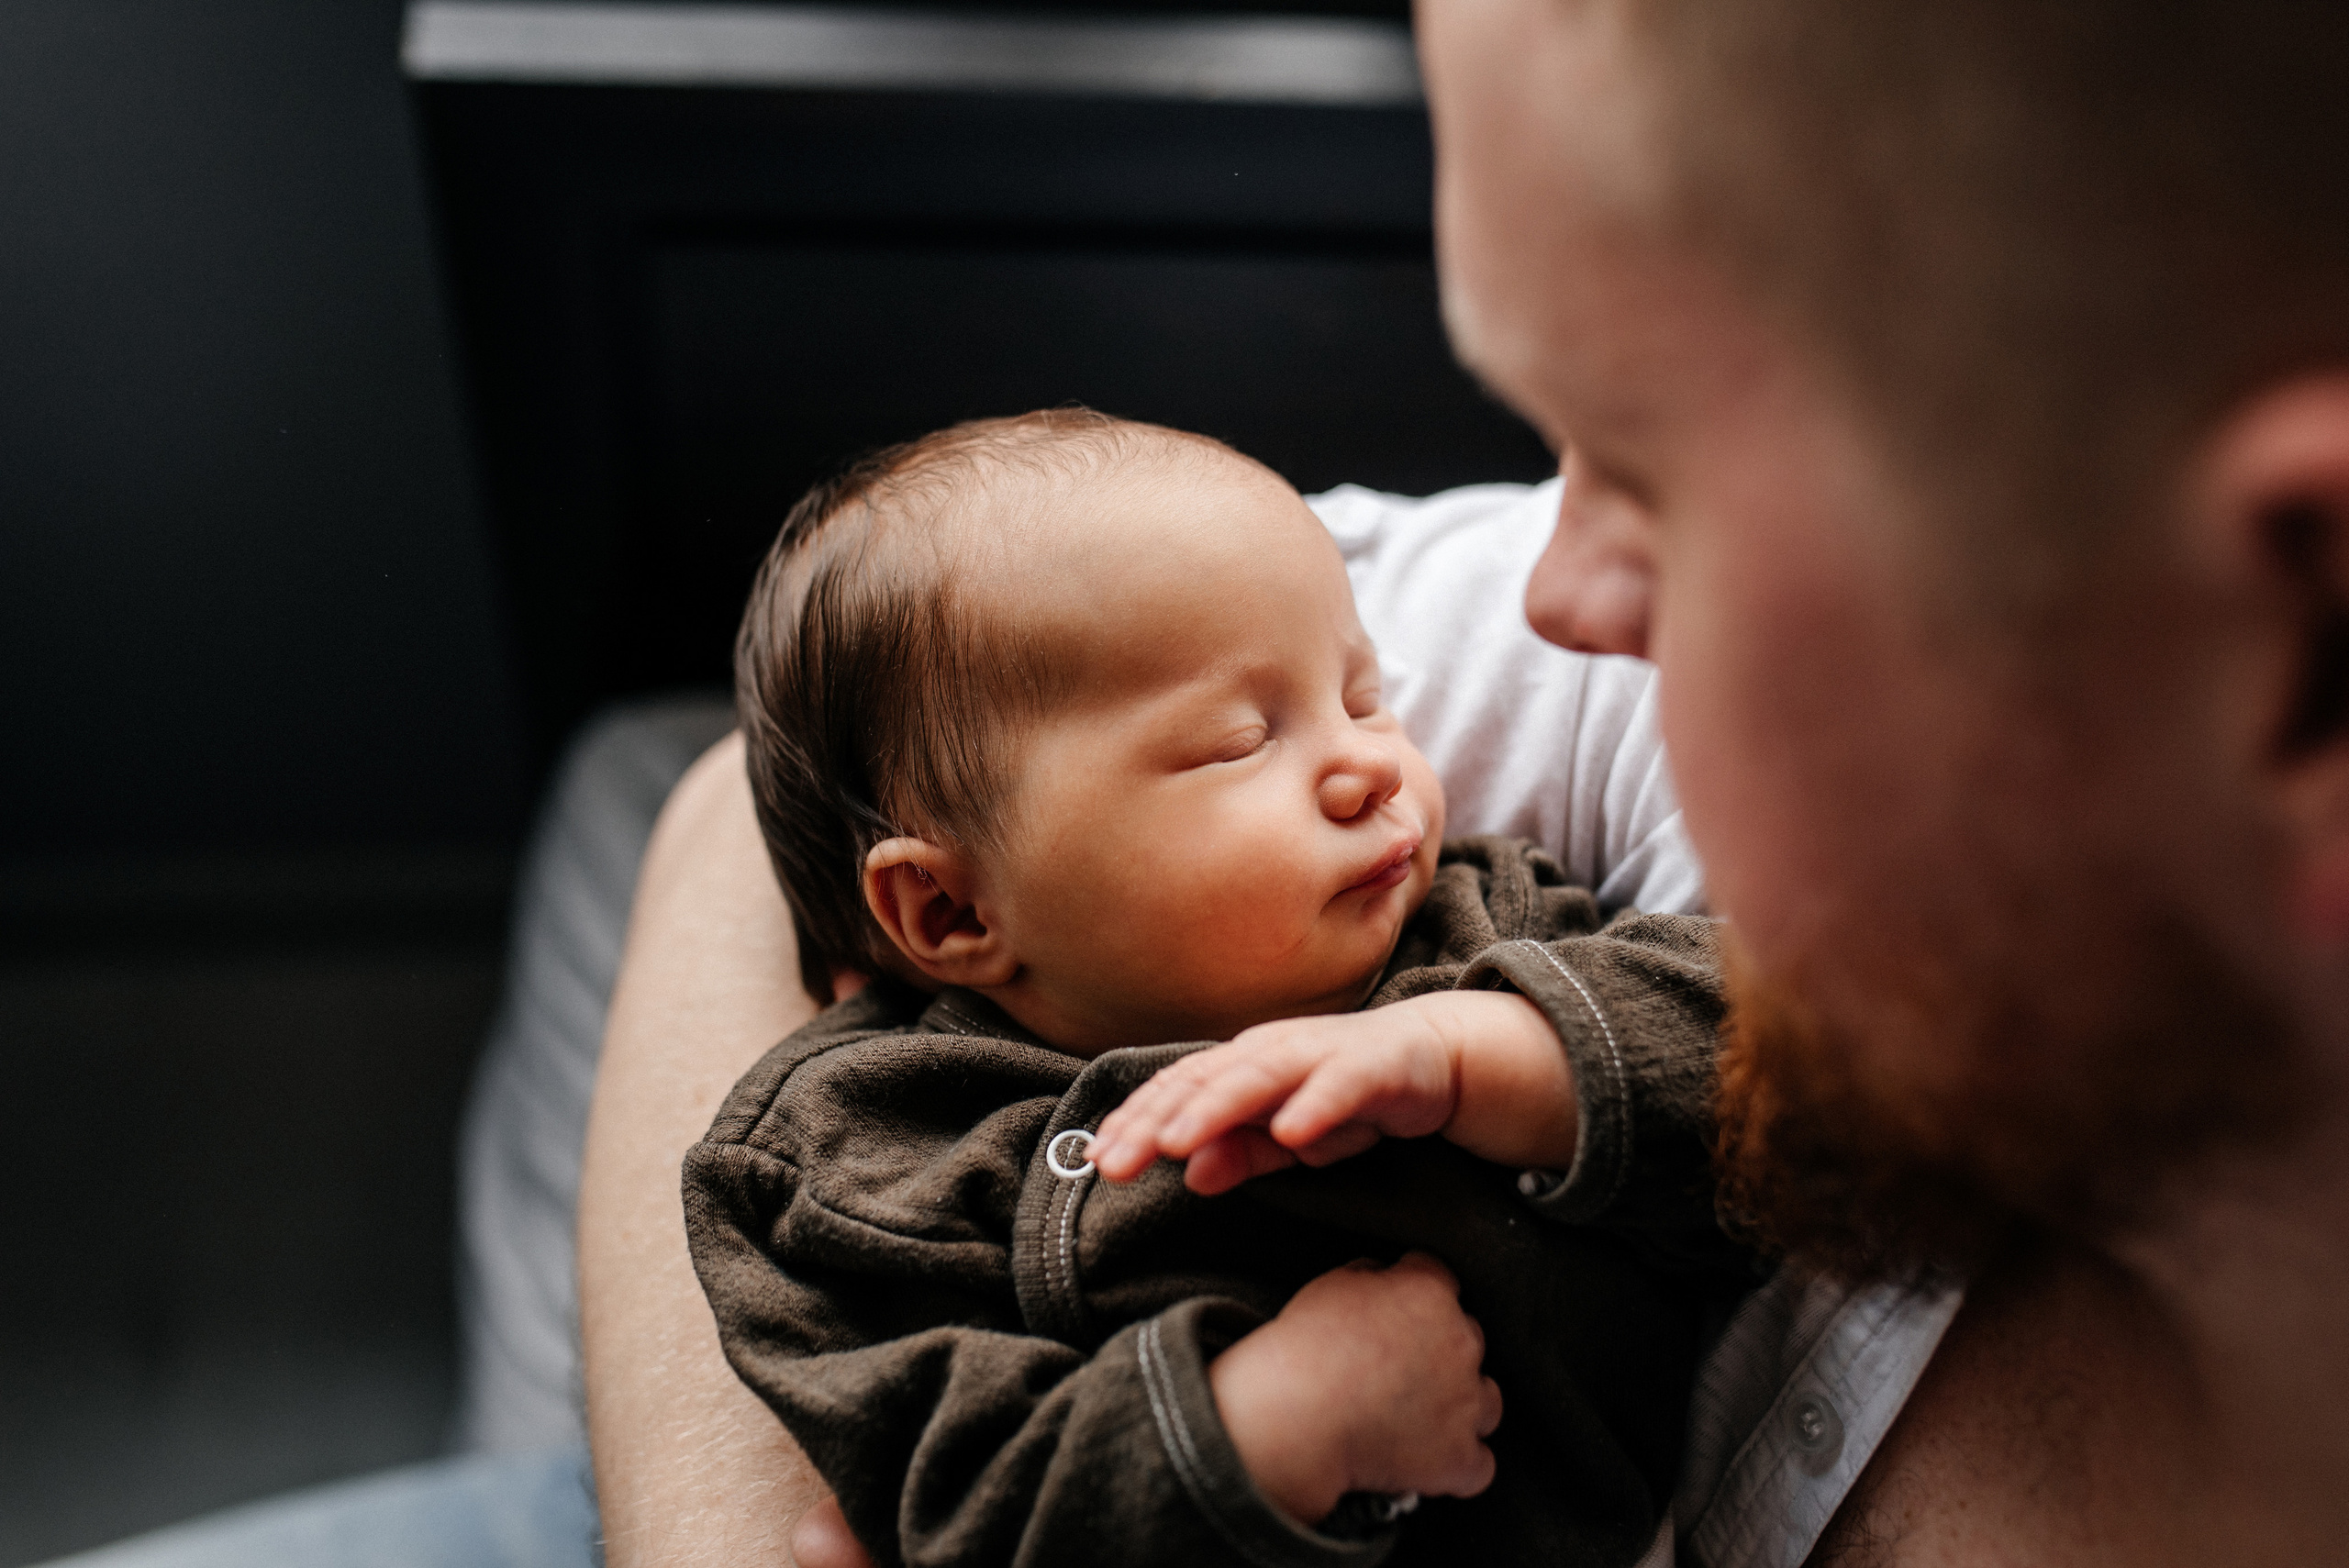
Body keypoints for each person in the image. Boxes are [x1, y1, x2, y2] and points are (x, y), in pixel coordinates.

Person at [592, 3, 2349, 1567]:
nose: (1552, 592)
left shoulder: (1487, 913)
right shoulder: (872, 1123)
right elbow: (772, 785)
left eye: (1646, 470)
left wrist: (1506, 1061)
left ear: (2300, 646)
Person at [685, 411, 1742, 1568]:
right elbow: (939, 1501)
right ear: (953, 911)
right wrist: (1263, 1429)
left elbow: (1767, 1057)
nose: (1370, 765)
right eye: (1239, 741)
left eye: (1364, 696)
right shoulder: (862, 1152)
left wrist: (1476, 1053)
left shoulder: (1480, 922)